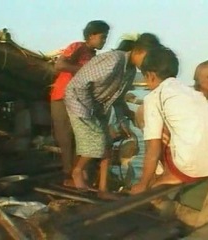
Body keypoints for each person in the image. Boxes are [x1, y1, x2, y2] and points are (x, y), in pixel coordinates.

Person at [64, 33, 162, 191]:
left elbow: (118, 99)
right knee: (97, 141)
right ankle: (77, 172)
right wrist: (88, 111)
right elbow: (80, 84)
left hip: (97, 107)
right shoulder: (114, 59)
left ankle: (103, 189)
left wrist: (126, 119)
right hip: (79, 101)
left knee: (107, 145)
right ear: (139, 51)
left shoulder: (129, 71)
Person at [130, 48, 208, 194]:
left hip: (191, 168)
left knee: (154, 131)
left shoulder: (154, 96)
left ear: (150, 76)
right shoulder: (192, 92)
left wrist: (143, 183)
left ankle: (167, 175)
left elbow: (153, 148)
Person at [50, 20, 110, 185]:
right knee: (66, 137)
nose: (105, 41)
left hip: (79, 99)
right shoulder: (77, 47)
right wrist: (86, 71)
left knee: (80, 136)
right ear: (91, 36)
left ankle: (78, 172)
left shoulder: (94, 56)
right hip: (61, 96)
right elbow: (59, 65)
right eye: (102, 37)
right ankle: (68, 175)